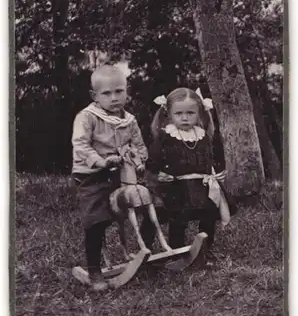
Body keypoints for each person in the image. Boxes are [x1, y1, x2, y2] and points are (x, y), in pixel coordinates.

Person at [72, 64, 148, 291]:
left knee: (141, 205)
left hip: (121, 173)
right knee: (96, 221)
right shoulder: (87, 117)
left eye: (119, 91)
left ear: (127, 91)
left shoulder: (130, 120)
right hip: (92, 175)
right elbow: (81, 145)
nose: (114, 98)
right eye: (106, 93)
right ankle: (95, 270)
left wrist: (138, 160)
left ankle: (143, 249)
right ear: (94, 96)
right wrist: (101, 161)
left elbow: (140, 146)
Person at [140, 87, 232, 262]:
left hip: (202, 186)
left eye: (190, 113)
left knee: (209, 215)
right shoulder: (166, 137)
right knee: (178, 218)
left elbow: (211, 158)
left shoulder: (203, 136)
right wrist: (158, 174)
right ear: (169, 114)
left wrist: (216, 173)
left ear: (199, 114)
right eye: (179, 113)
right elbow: (152, 162)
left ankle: (205, 248)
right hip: (176, 188)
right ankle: (177, 252)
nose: (184, 117)